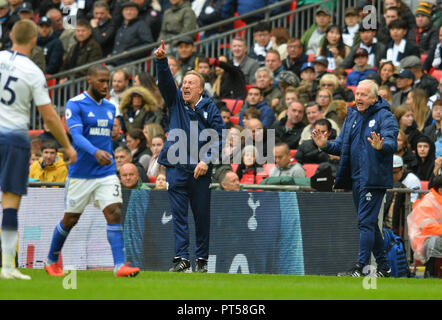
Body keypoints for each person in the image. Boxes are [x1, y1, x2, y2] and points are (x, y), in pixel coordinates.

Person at [44, 64, 139, 278]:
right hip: (80, 174)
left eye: (108, 81)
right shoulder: (75, 104)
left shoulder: (110, 107)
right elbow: (76, 137)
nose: (106, 85)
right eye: (101, 81)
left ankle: (119, 266)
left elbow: (103, 135)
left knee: (114, 212)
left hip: (105, 172)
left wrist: (106, 147)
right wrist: (95, 151)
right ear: (89, 80)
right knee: (70, 220)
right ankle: (51, 260)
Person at [0, 20, 77, 280]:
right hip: (14, 139)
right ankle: (8, 267)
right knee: (10, 204)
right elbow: (50, 117)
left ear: (10, 35)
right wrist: (66, 145)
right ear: (34, 42)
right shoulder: (32, 71)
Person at [312, 80, 399, 277]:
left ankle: (361, 268)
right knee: (369, 223)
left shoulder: (385, 116)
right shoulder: (352, 116)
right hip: (356, 178)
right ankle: (385, 268)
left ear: (374, 98)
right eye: (357, 94)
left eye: (363, 94)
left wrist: (381, 146)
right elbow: (341, 147)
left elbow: (391, 143)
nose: (358, 98)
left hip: (373, 178)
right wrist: (325, 145)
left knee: (365, 223)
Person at [154, 40, 225, 273]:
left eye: (190, 83)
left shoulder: (210, 108)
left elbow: (219, 136)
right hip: (176, 167)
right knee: (179, 216)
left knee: (201, 216)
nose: (185, 86)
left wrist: (206, 160)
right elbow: (165, 82)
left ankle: (202, 260)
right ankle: (182, 259)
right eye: (184, 82)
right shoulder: (175, 102)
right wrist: (162, 61)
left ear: (200, 89)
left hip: (200, 170)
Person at [408, 174, 442, 277]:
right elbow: (428, 228)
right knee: (435, 241)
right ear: (441, 190)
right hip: (424, 241)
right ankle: (431, 273)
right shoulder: (428, 202)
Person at [383, 154, 421, 236]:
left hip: (405, 214)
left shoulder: (412, 179)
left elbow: (412, 203)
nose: (391, 175)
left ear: (402, 169)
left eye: (394, 172)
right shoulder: (386, 177)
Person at [110, 1, 154, 66]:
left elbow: (149, 44)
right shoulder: (121, 26)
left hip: (131, 64)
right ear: (122, 12)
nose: (128, 12)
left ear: (137, 12)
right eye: (126, 10)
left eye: (131, 10)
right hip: (115, 62)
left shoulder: (141, 25)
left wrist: (130, 52)